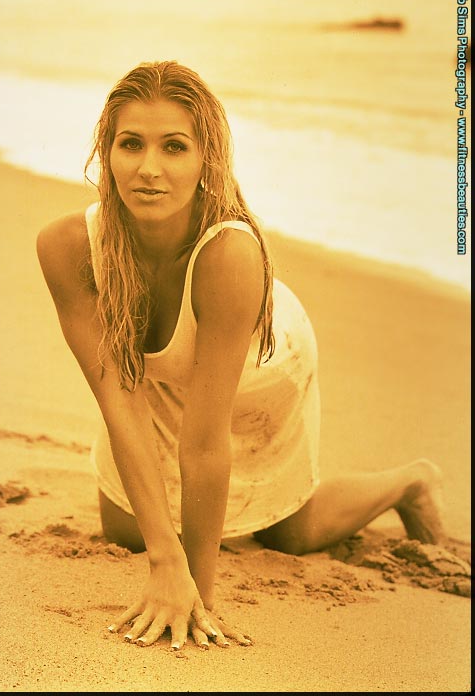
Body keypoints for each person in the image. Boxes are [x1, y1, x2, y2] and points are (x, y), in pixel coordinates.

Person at [36, 60, 445, 652]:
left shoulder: (228, 256)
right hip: (161, 373)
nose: (149, 168)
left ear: (208, 160)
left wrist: (194, 596)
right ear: (107, 150)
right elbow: (118, 402)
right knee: (127, 529)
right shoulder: (66, 248)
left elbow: (204, 442)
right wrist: (163, 559)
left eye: (174, 146)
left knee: (289, 532)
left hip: (260, 369)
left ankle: (410, 481)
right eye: (131, 144)